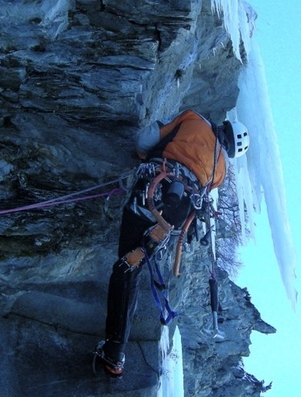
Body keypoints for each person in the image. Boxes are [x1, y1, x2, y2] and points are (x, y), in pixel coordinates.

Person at [94, 109, 250, 376]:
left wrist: (146, 157)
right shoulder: (221, 171)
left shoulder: (193, 118)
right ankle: (114, 355)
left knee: (125, 271)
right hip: (171, 218)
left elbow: (146, 139)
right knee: (131, 268)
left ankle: (114, 352)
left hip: (153, 189)